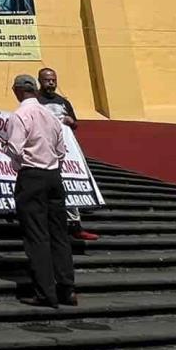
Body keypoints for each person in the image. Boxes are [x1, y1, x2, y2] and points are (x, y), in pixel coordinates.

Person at [3, 74, 76, 309]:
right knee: (59, 234)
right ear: (34, 89)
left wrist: (4, 148)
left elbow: (15, 148)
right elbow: (62, 151)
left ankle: (45, 293)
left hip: (32, 177)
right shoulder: (50, 116)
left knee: (36, 235)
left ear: (16, 91)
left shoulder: (20, 115)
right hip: (54, 177)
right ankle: (67, 289)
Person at [38, 67, 99, 242]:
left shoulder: (63, 102)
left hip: (66, 151)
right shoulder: (35, 101)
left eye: (53, 80)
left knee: (70, 185)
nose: (51, 83)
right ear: (39, 81)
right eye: (47, 80)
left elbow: (74, 124)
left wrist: (72, 122)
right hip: (43, 151)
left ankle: (75, 225)